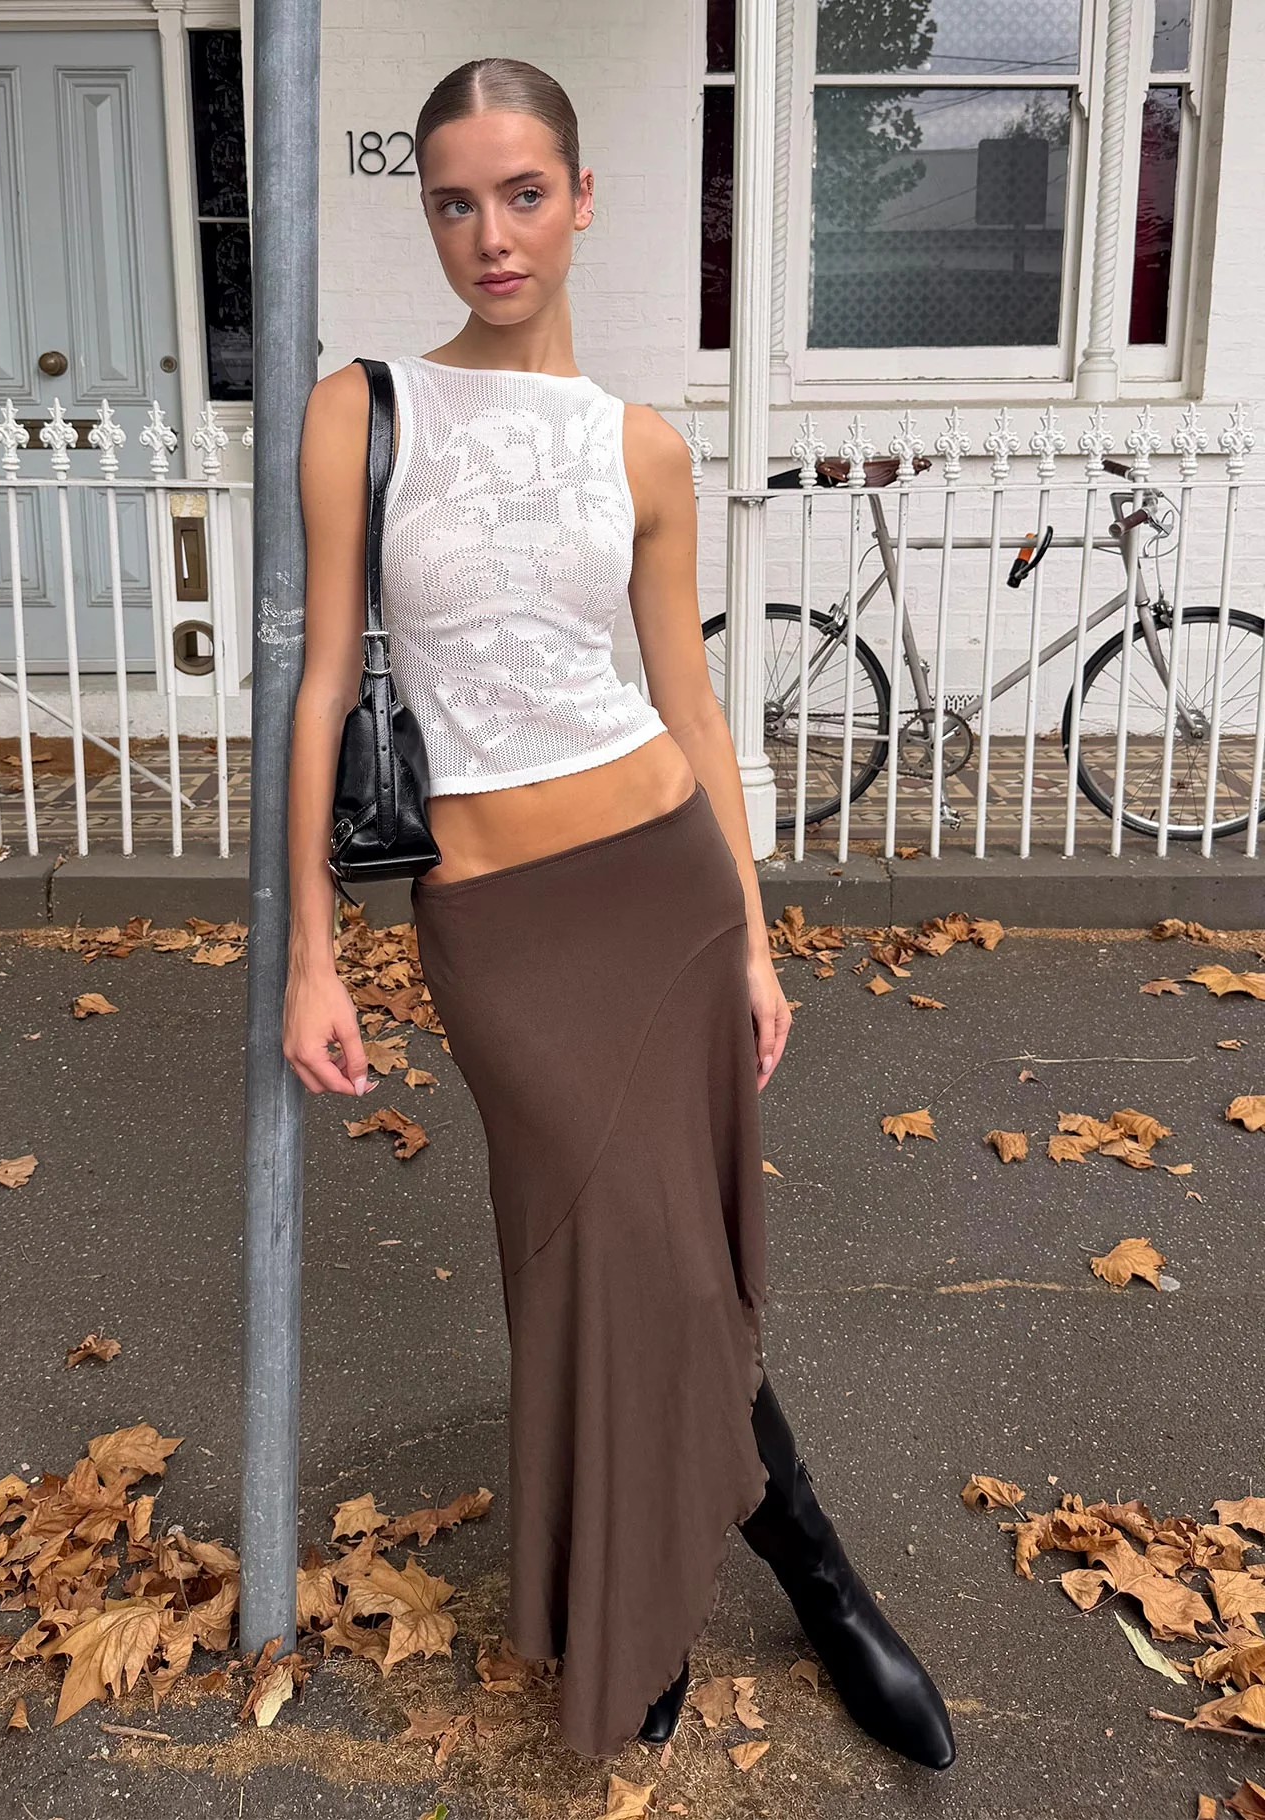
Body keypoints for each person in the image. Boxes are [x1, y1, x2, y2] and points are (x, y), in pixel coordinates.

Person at [282, 55, 955, 1770]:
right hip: (500, 932)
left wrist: (754, 935)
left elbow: (693, 707)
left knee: (663, 1268)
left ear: (583, 200)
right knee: (610, 1259)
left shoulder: (642, 446)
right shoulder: (363, 411)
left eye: (524, 195)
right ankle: (797, 1566)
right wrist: (311, 949)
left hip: (664, 887)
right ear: (428, 214)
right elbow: (324, 681)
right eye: (456, 202)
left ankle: (732, 1590)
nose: (492, 235)